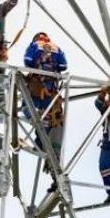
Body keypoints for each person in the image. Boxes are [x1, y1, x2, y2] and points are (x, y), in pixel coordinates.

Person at [23, 32, 68, 192]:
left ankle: (40, 143)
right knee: (49, 127)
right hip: (52, 93)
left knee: (29, 110)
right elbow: (63, 66)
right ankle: (41, 144)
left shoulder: (34, 45)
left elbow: (27, 61)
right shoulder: (57, 48)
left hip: (38, 89)